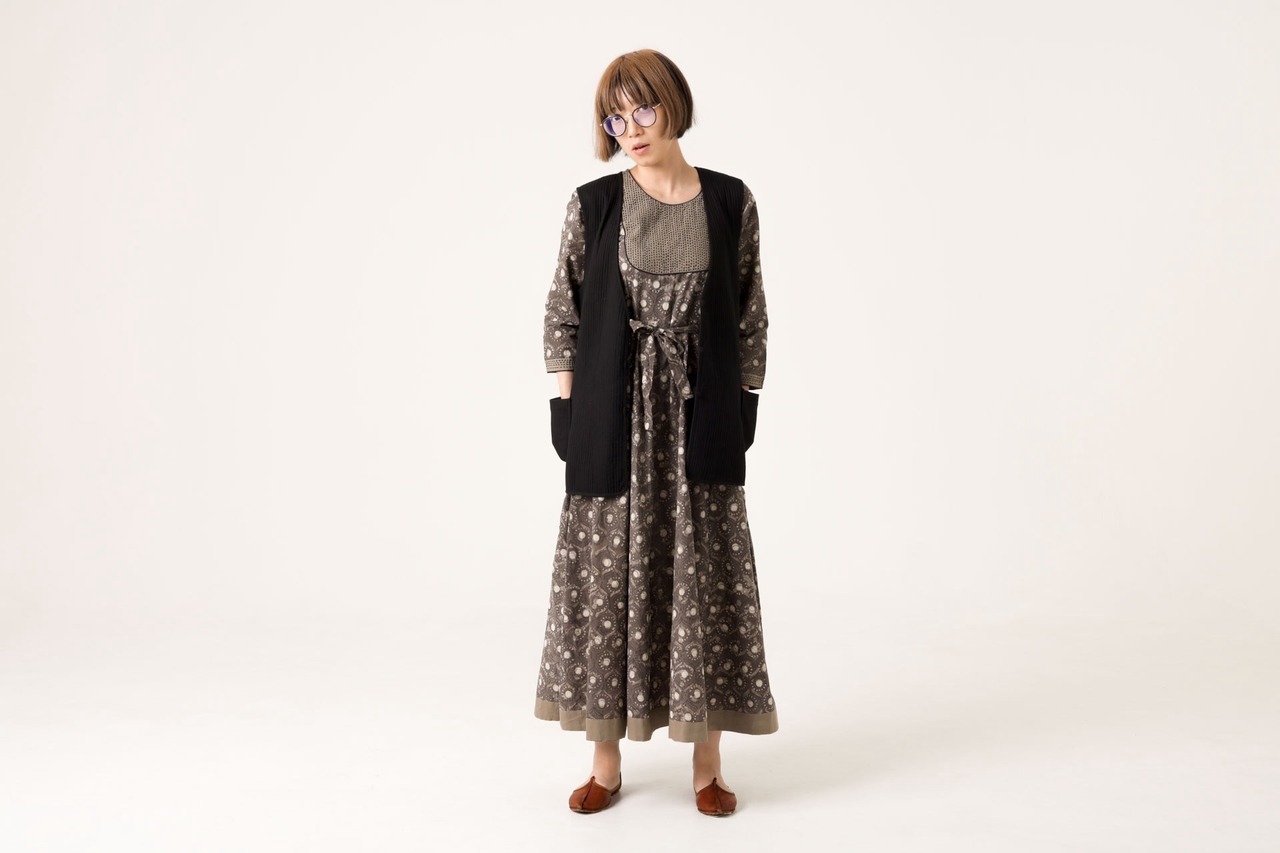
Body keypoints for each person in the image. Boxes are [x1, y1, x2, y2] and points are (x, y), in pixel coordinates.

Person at [533, 48, 778, 817]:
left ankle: (708, 761)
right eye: (615, 118)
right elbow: (563, 313)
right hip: (611, 420)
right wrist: (567, 412)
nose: (631, 128)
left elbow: (750, 312)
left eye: (643, 108)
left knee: (707, 576)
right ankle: (605, 760)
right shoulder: (594, 204)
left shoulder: (730, 201)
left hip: (702, 416)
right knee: (608, 576)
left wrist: (743, 406)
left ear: (673, 103)